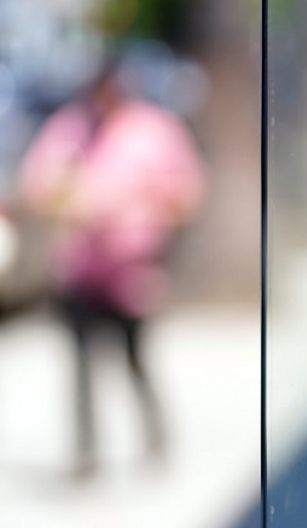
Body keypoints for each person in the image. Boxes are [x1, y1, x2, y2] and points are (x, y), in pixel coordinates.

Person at [20, 57, 205, 477]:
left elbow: (188, 191)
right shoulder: (70, 129)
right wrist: (69, 197)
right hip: (81, 269)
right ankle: (86, 454)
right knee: (82, 368)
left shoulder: (154, 130)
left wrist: (145, 203)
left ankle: (155, 439)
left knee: (135, 360)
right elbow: (36, 184)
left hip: (133, 271)